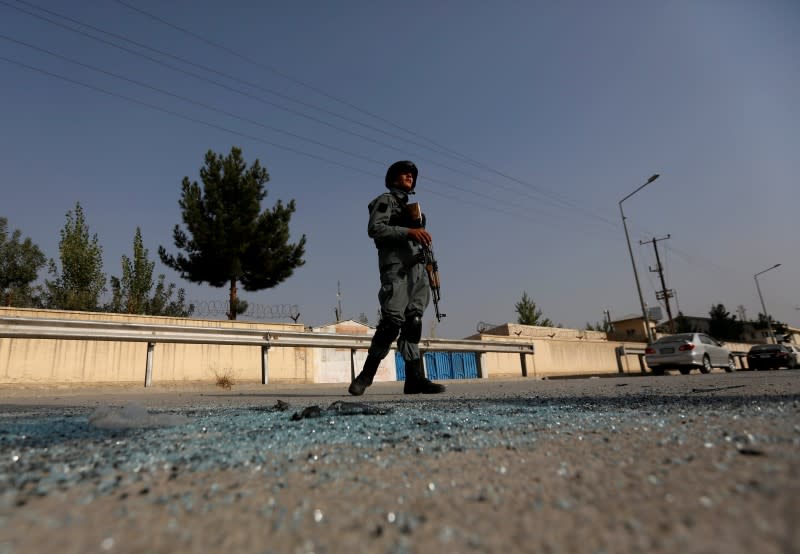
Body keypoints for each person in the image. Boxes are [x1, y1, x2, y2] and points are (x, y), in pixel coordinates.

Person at [348, 160, 446, 396]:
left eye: (412, 174)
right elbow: (375, 229)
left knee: (414, 323)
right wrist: (409, 231)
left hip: (418, 271)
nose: (410, 176)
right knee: (391, 323)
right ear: (393, 178)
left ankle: (414, 380)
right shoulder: (385, 201)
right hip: (397, 270)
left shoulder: (413, 210)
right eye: (404, 173)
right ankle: (365, 376)